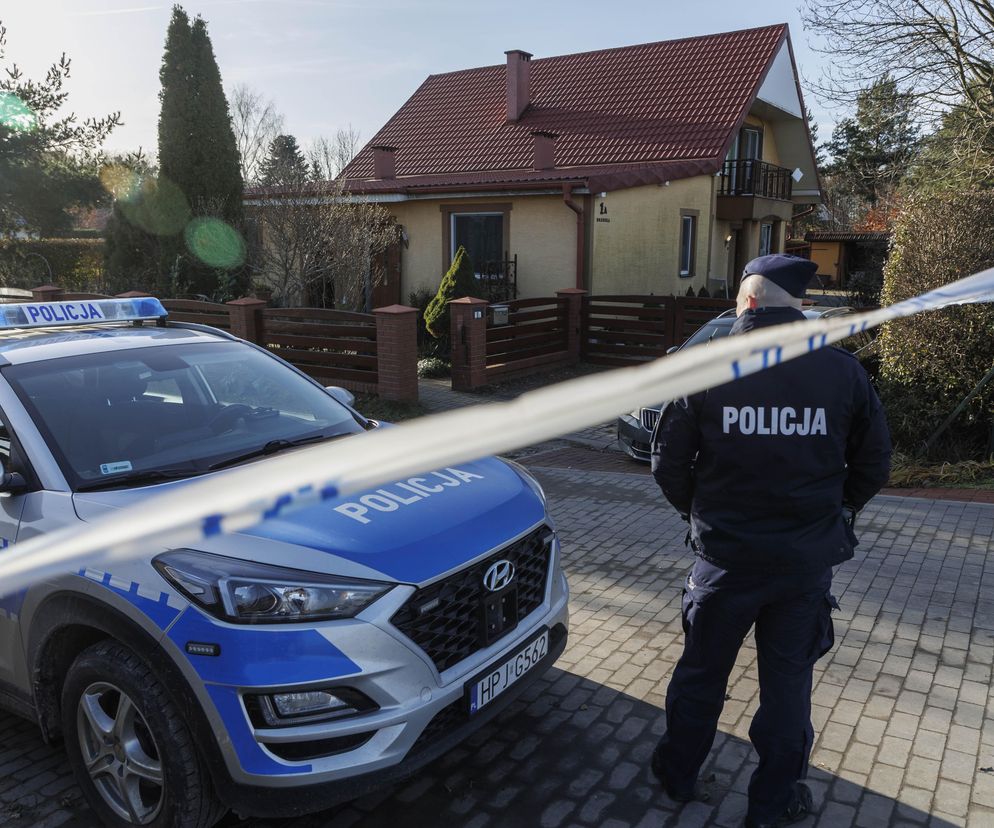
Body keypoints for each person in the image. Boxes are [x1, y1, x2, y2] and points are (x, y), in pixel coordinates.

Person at [649, 254, 892, 827]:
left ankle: (677, 774)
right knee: (787, 688)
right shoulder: (841, 371)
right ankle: (773, 802)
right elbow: (874, 462)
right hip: (803, 567)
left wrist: (701, 515)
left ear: (750, 302)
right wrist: (837, 513)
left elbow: (668, 463)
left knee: (701, 675)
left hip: (725, 562)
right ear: (798, 305)